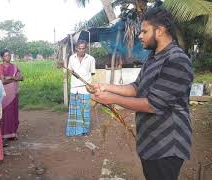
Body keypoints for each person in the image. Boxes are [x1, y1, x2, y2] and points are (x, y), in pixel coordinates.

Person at [89, 7, 193, 180]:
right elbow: (137, 87)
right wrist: (106, 87)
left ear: (159, 31)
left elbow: (153, 105)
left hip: (167, 145)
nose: (139, 35)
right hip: (151, 140)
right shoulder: (153, 57)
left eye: (144, 31)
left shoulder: (177, 60)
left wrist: (112, 99)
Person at [66, 40, 96, 136]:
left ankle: (83, 131)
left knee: (84, 111)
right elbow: (70, 71)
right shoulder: (71, 58)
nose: (81, 50)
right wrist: (73, 74)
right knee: (74, 111)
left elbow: (92, 73)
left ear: (86, 48)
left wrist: (88, 83)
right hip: (74, 88)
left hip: (85, 88)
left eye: (83, 48)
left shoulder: (91, 59)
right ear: (76, 48)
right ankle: (73, 131)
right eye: (79, 48)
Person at [0, 49, 23, 141]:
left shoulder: (15, 66)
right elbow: (3, 81)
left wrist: (11, 77)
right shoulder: (1, 66)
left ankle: (13, 133)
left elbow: (22, 77)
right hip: (5, 94)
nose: (8, 57)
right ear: (2, 57)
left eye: (9, 55)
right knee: (6, 112)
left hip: (14, 92)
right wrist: (15, 78)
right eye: (6, 55)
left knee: (14, 112)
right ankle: (4, 134)